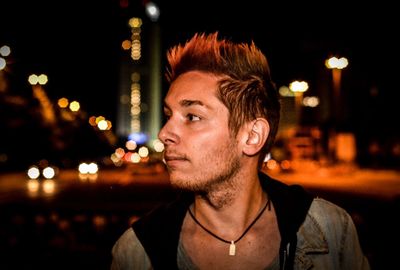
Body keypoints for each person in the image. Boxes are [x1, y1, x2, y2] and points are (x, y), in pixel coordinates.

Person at [110, 32, 370, 270]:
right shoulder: (136, 252)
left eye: (192, 116)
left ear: (252, 136)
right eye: (168, 115)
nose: (164, 133)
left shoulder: (331, 232)